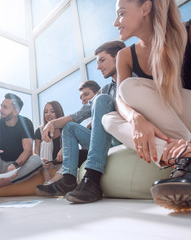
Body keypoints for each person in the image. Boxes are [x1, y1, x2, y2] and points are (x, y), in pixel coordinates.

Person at [102, 0, 191, 211]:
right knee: (108, 118)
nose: (116, 22)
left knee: (129, 88)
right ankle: (189, 160)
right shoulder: (125, 55)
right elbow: (119, 103)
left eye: (122, 13)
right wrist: (137, 120)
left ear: (146, 8)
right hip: (169, 122)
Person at [36, 41, 126, 204]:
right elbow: (77, 115)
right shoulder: (105, 90)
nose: (98, 67)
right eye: (97, 62)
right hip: (107, 139)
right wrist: (53, 124)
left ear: (119, 57)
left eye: (102, 60)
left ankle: (92, 179)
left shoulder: (133, 80)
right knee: (70, 127)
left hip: (124, 136)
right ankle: (68, 181)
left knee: (102, 99)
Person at [34, 101, 65, 184]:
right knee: (46, 142)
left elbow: (73, 149)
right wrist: (41, 160)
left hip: (63, 165)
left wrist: (63, 148)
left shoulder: (66, 129)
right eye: (46, 112)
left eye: (52, 111)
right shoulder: (39, 131)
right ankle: (47, 182)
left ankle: (50, 183)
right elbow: (36, 155)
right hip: (46, 166)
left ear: (58, 113)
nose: (48, 114)